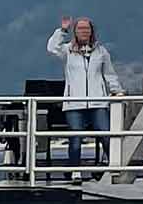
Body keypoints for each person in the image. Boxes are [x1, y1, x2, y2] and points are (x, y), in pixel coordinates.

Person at [48, 16, 122, 169]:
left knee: (106, 135)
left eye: (87, 28)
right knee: (75, 137)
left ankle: (114, 166)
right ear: (75, 31)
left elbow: (109, 73)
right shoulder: (67, 50)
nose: (84, 31)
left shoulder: (101, 51)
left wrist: (116, 90)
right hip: (74, 104)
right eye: (80, 28)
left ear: (92, 31)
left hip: (98, 102)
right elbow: (52, 47)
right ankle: (75, 169)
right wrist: (62, 30)